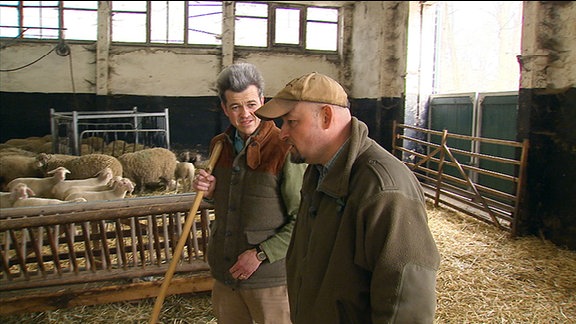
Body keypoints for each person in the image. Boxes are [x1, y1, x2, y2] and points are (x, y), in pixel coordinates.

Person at [255, 72, 441, 323]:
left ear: (326, 116)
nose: (283, 133)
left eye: (291, 122)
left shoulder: (383, 188)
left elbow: (406, 302)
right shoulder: (317, 171)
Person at [192, 62, 306, 324]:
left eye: (251, 104)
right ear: (225, 109)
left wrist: (261, 254)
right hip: (225, 274)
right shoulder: (219, 145)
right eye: (235, 106)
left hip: (269, 279)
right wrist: (210, 193)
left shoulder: (284, 148)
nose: (245, 114)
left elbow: (303, 219)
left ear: (262, 101)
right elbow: (226, 203)